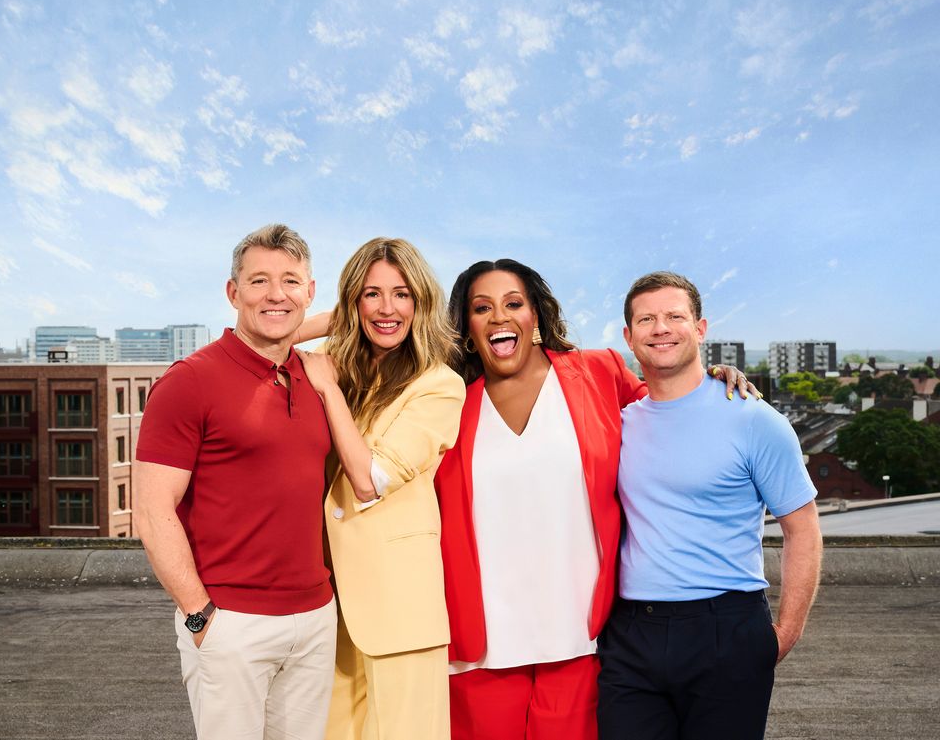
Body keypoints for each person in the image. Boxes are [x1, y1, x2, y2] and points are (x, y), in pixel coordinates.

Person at [435, 259, 751, 740]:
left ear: (535, 315)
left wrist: (712, 377)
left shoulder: (597, 372)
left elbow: (669, 408)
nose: (499, 317)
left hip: (581, 639)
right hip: (479, 648)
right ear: (467, 325)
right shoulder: (446, 400)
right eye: (482, 308)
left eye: (513, 304)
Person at [598, 271, 823, 740]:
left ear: (700, 329)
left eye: (674, 317)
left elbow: (803, 528)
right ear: (628, 336)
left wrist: (784, 632)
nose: (661, 328)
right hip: (630, 635)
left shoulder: (754, 419)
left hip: (726, 629)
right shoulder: (616, 423)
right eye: (647, 319)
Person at [134, 224, 337, 740]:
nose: (276, 294)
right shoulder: (189, 382)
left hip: (315, 619)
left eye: (291, 281)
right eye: (259, 281)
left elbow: (367, 316)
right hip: (231, 623)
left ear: (310, 292)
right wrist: (200, 618)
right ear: (233, 292)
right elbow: (153, 513)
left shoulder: (317, 378)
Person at [296, 237, 465, 740]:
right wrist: (337, 321)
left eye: (401, 294)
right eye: (371, 294)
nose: (387, 309)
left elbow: (370, 481)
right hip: (325, 605)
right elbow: (259, 342)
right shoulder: (335, 362)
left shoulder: (438, 384)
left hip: (400, 609)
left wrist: (325, 388)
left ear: (421, 302)